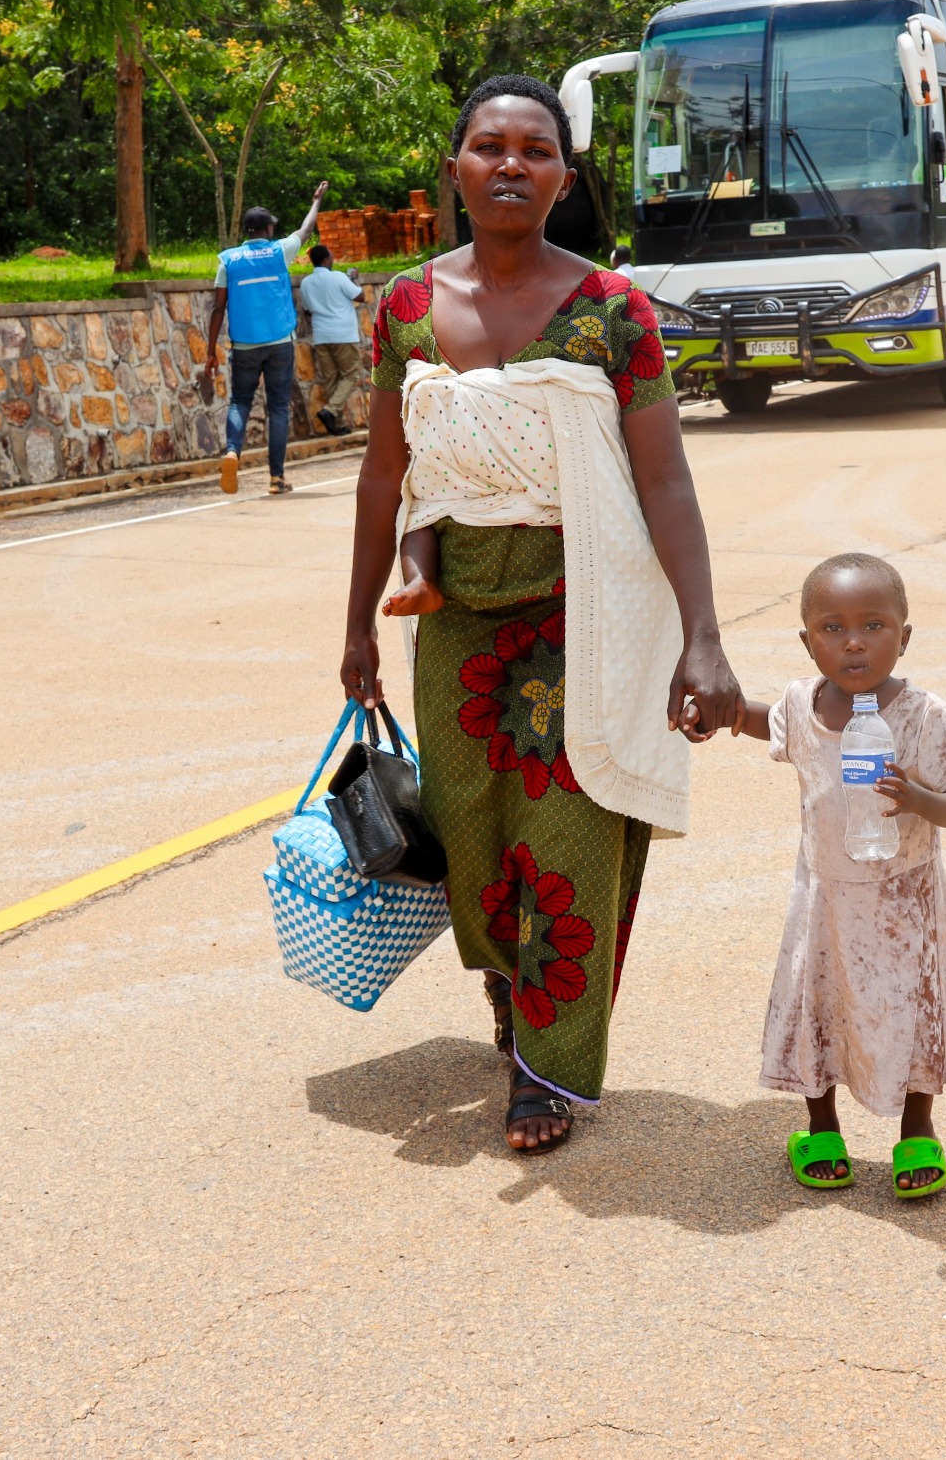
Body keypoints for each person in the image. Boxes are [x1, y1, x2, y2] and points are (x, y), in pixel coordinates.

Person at [341, 74, 743, 1154]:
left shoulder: (614, 308)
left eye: (535, 149)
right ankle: (513, 995)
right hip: (460, 617)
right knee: (472, 838)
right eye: (489, 145)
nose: (511, 163)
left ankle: (547, 1069)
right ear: (456, 169)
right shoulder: (407, 306)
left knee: (567, 840)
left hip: (590, 611)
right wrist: (355, 627)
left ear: (564, 176)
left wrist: (702, 634)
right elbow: (387, 473)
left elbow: (664, 481)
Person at [714, 554, 946, 1200]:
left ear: (904, 636)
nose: (854, 641)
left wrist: (919, 797)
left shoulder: (923, 715)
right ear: (808, 642)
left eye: (874, 626)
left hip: (904, 907)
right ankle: (820, 1126)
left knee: (915, 1013)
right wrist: (716, 714)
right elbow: (761, 722)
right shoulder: (805, 705)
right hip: (827, 900)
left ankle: (918, 1129)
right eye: (832, 628)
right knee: (819, 1008)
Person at [198, 182, 328, 494]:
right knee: (279, 408)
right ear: (268, 229)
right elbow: (307, 229)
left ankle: (232, 450)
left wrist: (210, 350)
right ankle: (276, 478)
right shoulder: (280, 250)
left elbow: (218, 307)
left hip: (243, 345)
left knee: (240, 401)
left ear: (246, 231)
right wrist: (316, 201)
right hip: (280, 342)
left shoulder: (227, 260)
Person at [299, 244, 367, 437]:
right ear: (326, 260)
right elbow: (360, 296)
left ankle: (335, 424)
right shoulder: (338, 277)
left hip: (321, 336)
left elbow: (307, 311)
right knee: (352, 373)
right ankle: (330, 412)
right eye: (331, 256)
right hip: (343, 334)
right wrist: (354, 279)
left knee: (331, 379)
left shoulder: (306, 283)